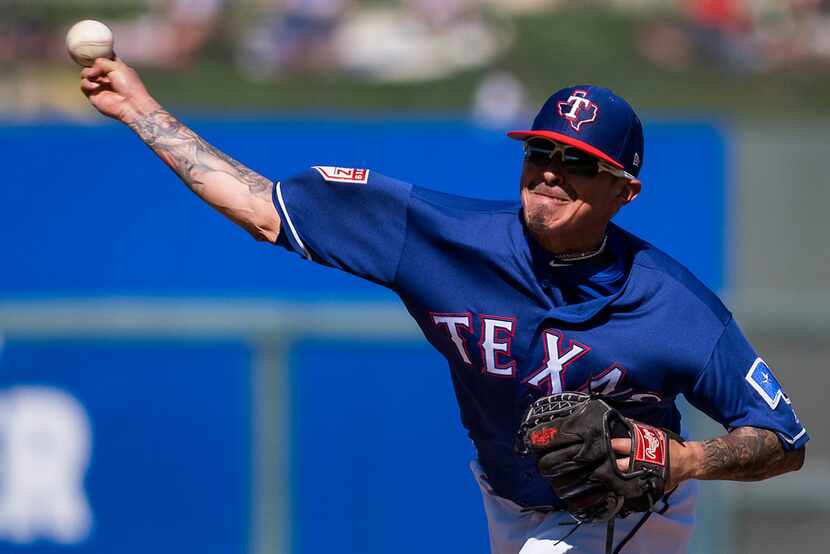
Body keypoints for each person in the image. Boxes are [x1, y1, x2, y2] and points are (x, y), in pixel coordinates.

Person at [78, 58, 808, 554]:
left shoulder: (675, 306)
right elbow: (260, 205)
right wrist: (140, 110)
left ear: (625, 191)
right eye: (541, 154)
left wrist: (683, 457)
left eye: (580, 164)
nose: (552, 174)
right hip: (506, 494)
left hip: (622, 512)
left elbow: (783, 440)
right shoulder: (441, 237)